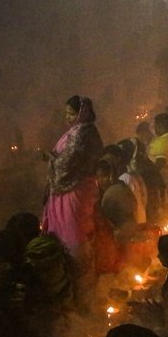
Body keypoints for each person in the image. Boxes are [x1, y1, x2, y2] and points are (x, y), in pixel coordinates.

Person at [41, 96, 104, 274]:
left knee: (73, 232)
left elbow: (68, 163)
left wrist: (51, 158)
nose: (67, 118)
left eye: (71, 114)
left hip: (73, 190)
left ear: (81, 113)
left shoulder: (80, 133)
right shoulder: (84, 130)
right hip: (78, 188)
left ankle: (77, 270)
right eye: (66, 114)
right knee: (78, 230)